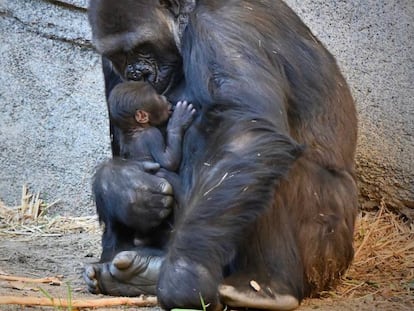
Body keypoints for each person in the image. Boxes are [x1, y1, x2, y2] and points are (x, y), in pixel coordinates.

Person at [108, 81, 195, 172]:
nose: (164, 97)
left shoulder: (125, 141)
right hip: (159, 181)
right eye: (158, 98)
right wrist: (175, 129)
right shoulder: (150, 133)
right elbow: (169, 163)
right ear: (142, 116)